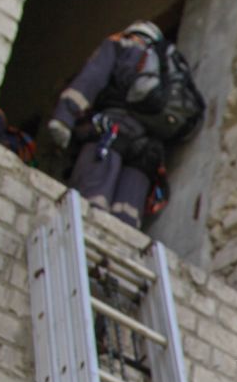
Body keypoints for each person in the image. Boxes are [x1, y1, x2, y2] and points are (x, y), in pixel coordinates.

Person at [41, 21, 173, 229]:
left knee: (91, 205)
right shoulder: (166, 71)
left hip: (110, 133)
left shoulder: (120, 44)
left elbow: (92, 78)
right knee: (126, 223)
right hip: (146, 152)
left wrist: (64, 118)